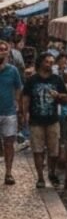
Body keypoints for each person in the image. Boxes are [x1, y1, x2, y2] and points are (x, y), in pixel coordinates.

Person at [22, 54, 67, 188]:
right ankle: (40, 177)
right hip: (36, 120)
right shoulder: (32, 80)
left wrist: (59, 95)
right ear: (41, 63)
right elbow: (26, 98)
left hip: (53, 120)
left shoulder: (57, 80)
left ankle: (52, 172)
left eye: (51, 62)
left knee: (53, 151)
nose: (49, 64)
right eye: (47, 62)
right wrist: (24, 115)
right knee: (38, 150)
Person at [0, 40, 23, 185]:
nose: (1, 52)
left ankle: (8, 172)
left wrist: (16, 102)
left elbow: (18, 87)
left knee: (9, 143)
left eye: (4, 49)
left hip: (8, 111)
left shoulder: (12, 70)